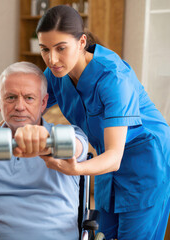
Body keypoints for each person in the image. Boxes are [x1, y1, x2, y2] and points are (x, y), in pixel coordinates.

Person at [35, 5, 170, 240]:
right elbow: (25, 109)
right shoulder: (56, 73)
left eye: (61, 48)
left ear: (81, 42)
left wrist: (76, 169)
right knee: (103, 235)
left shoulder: (114, 79)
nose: (52, 59)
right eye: (45, 49)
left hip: (146, 163)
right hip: (106, 162)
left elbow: (115, 156)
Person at [0, 61, 89, 240]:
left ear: (44, 102)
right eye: (11, 97)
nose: (20, 106)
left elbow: (76, 147)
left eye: (29, 98)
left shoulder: (72, 134)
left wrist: (46, 141)